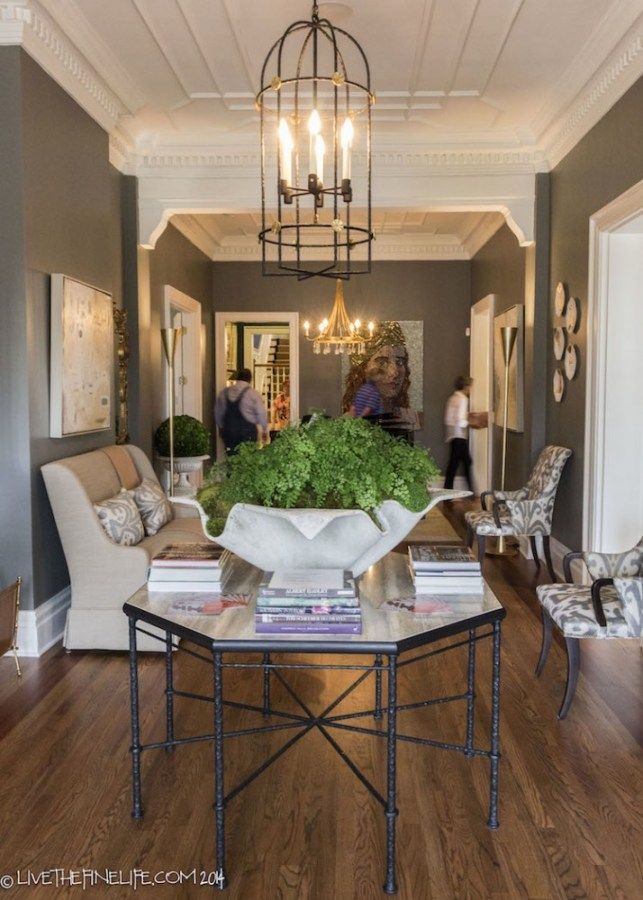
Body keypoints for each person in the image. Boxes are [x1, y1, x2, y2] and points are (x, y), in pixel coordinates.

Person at [343, 321, 420, 434]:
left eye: (399, 362)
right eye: (382, 362)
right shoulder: (350, 420)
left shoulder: (409, 417)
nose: (395, 372)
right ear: (362, 369)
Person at [443, 375, 487, 491]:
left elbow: (448, 419)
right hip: (460, 436)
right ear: (466, 386)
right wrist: (473, 423)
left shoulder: (452, 398)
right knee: (461, 463)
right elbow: (461, 420)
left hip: (453, 436)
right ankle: (469, 491)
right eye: (470, 387)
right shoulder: (463, 399)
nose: (471, 389)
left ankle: (464, 491)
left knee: (461, 462)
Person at [215, 368, 269, 455]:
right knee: (247, 459)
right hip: (247, 432)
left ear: (237, 378)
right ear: (250, 379)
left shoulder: (224, 392)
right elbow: (261, 413)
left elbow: (218, 413)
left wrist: (221, 427)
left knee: (231, 457)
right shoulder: (253, 394)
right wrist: (265, 430)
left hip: (229, 431)